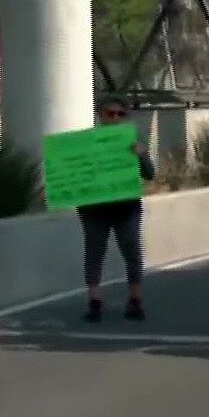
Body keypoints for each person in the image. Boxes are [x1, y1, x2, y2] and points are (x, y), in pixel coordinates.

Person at [80, 99, 155, 323]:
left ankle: (135, 301)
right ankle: (94, 302)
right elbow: (74, 171)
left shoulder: (134, 141)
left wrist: (141, 155)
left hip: (126, 207)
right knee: (94, 253)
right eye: (110, 114)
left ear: (126, 117)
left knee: (132, 252)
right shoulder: (87, 142)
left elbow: (150, 173)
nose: (114, 118)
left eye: (120, 114)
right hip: (94, 208)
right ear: (101, 116)